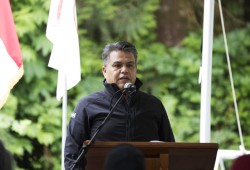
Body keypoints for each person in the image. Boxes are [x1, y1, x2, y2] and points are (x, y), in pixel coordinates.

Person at [64, 41, 175, 170]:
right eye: (117, 65)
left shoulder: (153, 105)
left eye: (130, 65)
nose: (124, 70)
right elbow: (72, 156)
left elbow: (171, 150)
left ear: (136, 69)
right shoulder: (87, 106)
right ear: (105, 70)